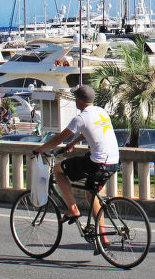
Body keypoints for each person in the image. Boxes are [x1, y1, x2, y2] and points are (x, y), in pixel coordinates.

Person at [32, 85, 119, 230]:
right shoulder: (101, 112)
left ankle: (72, 209)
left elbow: (58, 139)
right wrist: (73, 142)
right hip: (113, 162)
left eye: (75, 98)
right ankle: (102, 237)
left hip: (97, 163)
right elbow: (90, 130)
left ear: (79, 100)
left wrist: (40, 149)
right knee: (91, 195)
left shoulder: (80, 118)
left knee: (58, 170)